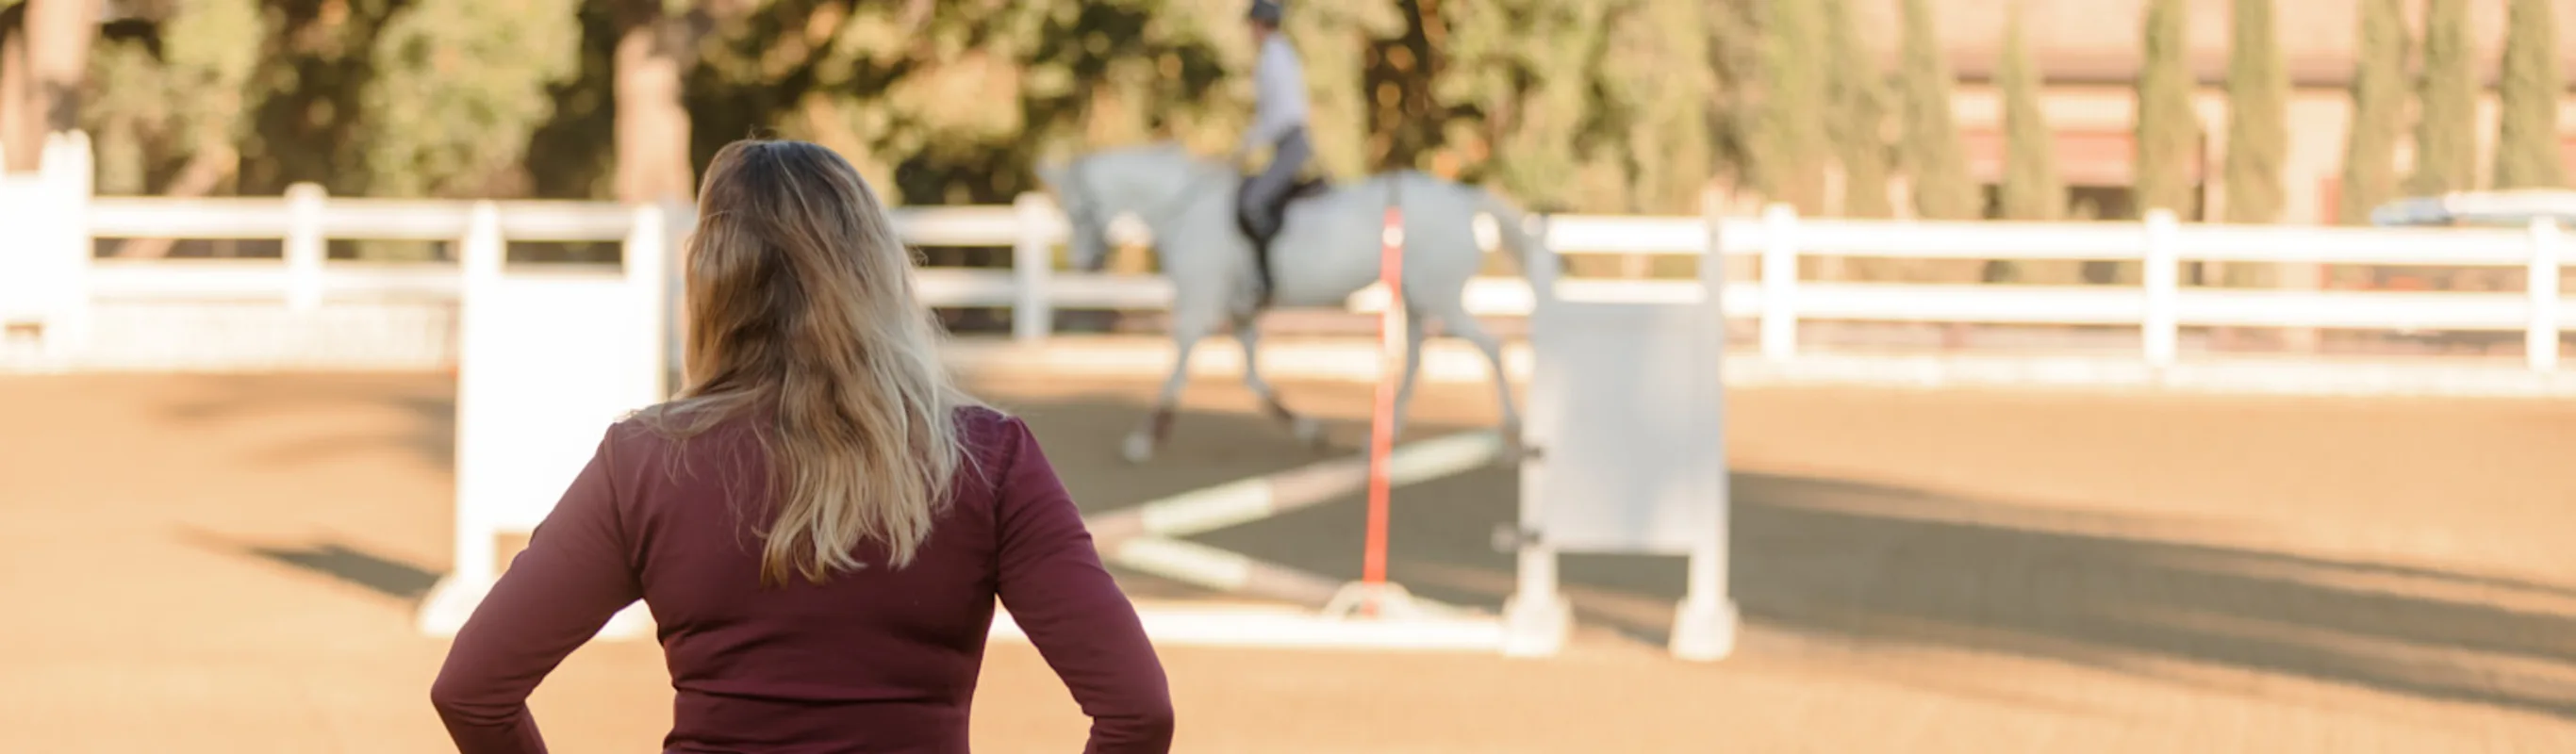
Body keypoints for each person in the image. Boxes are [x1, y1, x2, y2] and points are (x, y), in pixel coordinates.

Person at [428, 139, 1174, 754]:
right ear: (875, 270)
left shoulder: (645, 461)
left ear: (712, 278)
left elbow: (472, 691)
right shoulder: (986, 457)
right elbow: (1138, 712)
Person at [1234, 0, 1312, 299]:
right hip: (1286, 143)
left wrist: (1247, 147)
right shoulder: (1276, 54)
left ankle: (1267, 278)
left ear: (1259, 25)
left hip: (1291, 143)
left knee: (1253, 204)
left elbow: (1280, 114)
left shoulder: (1275, 56)